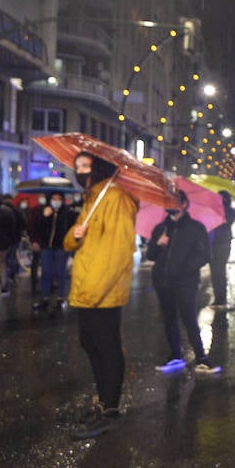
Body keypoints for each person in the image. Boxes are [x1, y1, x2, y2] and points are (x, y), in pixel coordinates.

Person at [63, 153, 138, 439]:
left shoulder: (116, 199)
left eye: (86, 166)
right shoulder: (92, 199)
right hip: (86, 288)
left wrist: (94, 291)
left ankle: (110, 410)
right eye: (77, 167)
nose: (80, 171)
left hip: (102, 292)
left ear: (100, 167)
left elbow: (119, 252)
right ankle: (103, 401)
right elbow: (70, 241)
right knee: (90, 343)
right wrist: (76, 233)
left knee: (106, 347)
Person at [146, 190, 217, 374]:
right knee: (169, 319)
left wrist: (184, 270)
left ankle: (202, 358)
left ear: (184, 204)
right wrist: (158, 244)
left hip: (185, 282)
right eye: (167, 201)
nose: (171, 205)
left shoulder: (195, 228)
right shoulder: (160, 228)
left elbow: (204, 255)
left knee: (189, 319)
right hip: (162, 281)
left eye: (175, 201)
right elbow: (150, 255)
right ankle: (176, 356)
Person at [32, 191, 78, 310]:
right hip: (47, 247)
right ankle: (45, 298)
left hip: (61, 248)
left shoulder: (69, 213)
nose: (56, 201)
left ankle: (60, 298)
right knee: (46, 272)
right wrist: (45, 217)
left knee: (60, 273)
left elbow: (73, 229)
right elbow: (37, 227)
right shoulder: (43, 211)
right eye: (54, 198)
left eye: (58, 199)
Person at [209, 190, 235, 310]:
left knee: (219, 271)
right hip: (212, 244)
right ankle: (217, 297)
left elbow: (226, 222)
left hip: (223, 244)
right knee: (214, 272)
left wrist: (220, 209)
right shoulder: (213, 210)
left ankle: (222, 298)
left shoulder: (230, 211)